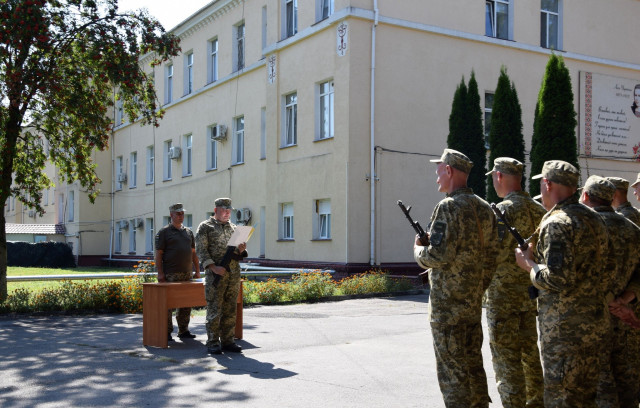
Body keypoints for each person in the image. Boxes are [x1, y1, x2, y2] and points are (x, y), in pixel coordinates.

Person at [515, 160, 609, 407]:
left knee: (562, 398)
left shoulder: (558, 222)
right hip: (594, 326)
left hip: (565, 332)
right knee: (585, 398)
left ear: (547, 184)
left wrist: (529, 265)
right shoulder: (595, 219)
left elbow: (557, 278)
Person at [414, 148, 498, 408]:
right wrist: (477, 287)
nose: (437, 175)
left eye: (439, 170)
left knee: (453, 376)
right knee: (473, 368)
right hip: (471, 306)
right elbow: (492, 257)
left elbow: (437, 255)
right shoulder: (484, 208)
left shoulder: (448, 206)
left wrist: (418, 250)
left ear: (449, 170)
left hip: (448, 310)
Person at [484, 158, 545, 408]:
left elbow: (490, 253)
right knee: (530, 355)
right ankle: (536, 403)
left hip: (503, 298)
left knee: (506, 360)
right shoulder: (540, 211)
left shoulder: (502, 211)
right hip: (531, 294)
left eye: (493, 177)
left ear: (499, 176)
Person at [580, 175, 640, 407]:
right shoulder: (633, 229)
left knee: (600, 387)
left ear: (586, 196)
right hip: (626, 318)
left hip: (593, 322)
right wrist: (624, 299)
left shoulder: (586, 228)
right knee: (627, 385)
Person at [195, 198, 247, 355]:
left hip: (233, 274)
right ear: (215, 210)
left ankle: (228, 341)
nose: (227, 213)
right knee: (214, 309)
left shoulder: (234, 228)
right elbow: (201, 250)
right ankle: (212, 342)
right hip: (215, 275)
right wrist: (213, 267)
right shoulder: (206, 227)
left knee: (230, 308)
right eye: (224, 210)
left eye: (229, 210)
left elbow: (238, 254)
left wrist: (242, 249)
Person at [155, 203, 201, 341]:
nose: (181, 216)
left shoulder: (188, 232)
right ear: (171, 215)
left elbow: (193, 253)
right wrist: (160, 273)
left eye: (182, 214)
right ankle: (166, 331)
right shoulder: (164, 232)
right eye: (178, 214)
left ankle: (183, 330)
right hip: (170, 274)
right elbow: (159, 254)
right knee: (168, 304)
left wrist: (197, 270)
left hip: (186, 273)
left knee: (186, 302)